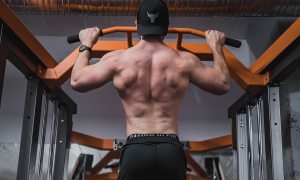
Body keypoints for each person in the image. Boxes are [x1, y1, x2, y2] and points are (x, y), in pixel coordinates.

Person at [71, 0, 230, 179]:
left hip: (135, 150)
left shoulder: (118, 60)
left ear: (136, 25)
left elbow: (77, 81)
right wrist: (216, 47)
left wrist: (86, 44)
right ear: (167, 27)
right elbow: (223, 84)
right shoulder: (185, 61)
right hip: (170, 150)